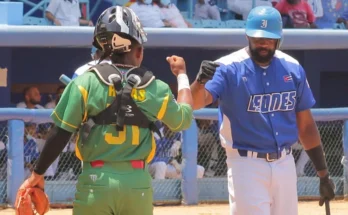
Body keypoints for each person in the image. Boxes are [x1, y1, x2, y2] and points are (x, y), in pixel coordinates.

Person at [17, 5, 193, 215]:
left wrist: (38, 174)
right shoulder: (156, 87)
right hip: (137, 184)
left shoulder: (84, 83)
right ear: (139, 52)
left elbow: (60, 133)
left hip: (95, 181)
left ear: (101, 48)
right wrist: (182, 75)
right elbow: (184, 119)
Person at [190, 6, 335, 215]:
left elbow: (306, 125)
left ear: (278, 39)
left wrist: (323, 174)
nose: (263, 43)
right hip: (246, 165)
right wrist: (200, 81)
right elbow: (196, 102)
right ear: (248, 35)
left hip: (285, 164)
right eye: (258, 38)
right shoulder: (228, 67)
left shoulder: (292, 68)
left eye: (268, 38)